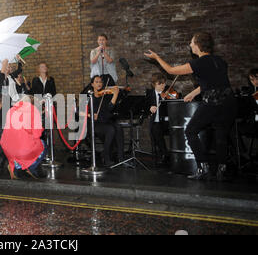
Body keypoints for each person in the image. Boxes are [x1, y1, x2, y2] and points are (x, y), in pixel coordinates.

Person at [144, 32, 237, 181]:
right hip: (229, 102)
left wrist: (157, 58)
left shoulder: (198, 63)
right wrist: (193, 93)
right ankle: (222, 170)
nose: (190, 45)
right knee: (221, 135)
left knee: (190, 130)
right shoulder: (220, 61)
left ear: (199, 45)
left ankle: (203, 167)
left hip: (213, 101)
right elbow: (213, 82)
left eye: (192, 42)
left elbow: (171, 71)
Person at [0, 95, 47, 180]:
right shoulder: (33, 110)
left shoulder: (11, 110)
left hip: (7, 147)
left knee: (21, 146)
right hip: (22, 150)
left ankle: (15, 165)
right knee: (43, 144)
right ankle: (29, 168)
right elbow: (37, 134)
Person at [85, 75, 124, 167]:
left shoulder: (105, 96)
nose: (99, 84)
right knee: (111, 129)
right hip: (95, 124)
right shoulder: (88, 97)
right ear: (92, 84)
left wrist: (115, 95)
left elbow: (110, 108)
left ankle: (121, 157)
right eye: (97, 82)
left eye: (100, 82)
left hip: (105, 121)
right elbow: (78, 112)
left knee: (118, 127)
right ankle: (106, 157)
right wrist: (90, 115)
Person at [146, 73, 170, 165]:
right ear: (154, 84)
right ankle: (164, 154)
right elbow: (145, 105)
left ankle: (166, 154)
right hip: (156, 121)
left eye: (164, 83)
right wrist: (149, 108)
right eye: (160, 84)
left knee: (158, 130)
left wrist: (167, 99)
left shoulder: (168, 92)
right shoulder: (149, 93)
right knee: (155, 130)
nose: (163, 86)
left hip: (167, 121)